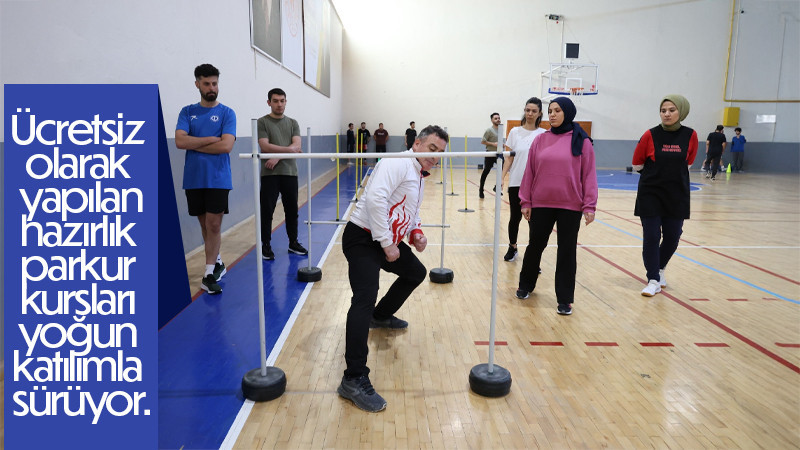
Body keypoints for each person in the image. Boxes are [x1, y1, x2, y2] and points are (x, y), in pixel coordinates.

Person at [338, 125, 449, 413]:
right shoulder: (398, 162)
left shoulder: (418, 174)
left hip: (383, 240)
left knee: (416, 273)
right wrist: (388, 243)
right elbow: (375, 199)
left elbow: (410, 211)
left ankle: (381, 316)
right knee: (364, 297)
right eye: (432, 149)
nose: (435, 157)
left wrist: (416, 233)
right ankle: (353, 378)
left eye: (441, 154)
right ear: (418, 143)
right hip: (362, 237)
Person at [515, 97, 597, 316]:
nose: (552, 114)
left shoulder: (582, 141)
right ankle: (526, 285)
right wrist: (526, 200)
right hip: (541, 203)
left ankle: (564, 299)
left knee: (567, 252)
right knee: (535, 246)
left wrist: (590, 205)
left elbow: (588, 175)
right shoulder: (540, 140)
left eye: (557, 110)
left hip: (571, 205)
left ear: (567, 113)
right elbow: (529, 172)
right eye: (550, 111)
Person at [175, 63, 236, 295]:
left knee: (213, 225)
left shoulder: (227, 113)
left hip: (218, 178)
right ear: (197, 84)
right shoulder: (186, 112)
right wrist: (211, 139)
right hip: (193, 179)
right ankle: (217, 261)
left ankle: (208, 274)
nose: (212, 87)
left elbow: (227, 146)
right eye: (207, 83)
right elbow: (180, 142)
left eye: (215, 83)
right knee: (205, 225)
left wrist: (196, 142)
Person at [632, 95, 698, 297]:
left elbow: (689, 162)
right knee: (651, 236)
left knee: (673, 236)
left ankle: (660, 269)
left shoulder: (691, 135)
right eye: (663, 110)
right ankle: (652, 279)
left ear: (681, 112)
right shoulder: (650, 135)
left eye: (671, 110)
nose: (667, 114)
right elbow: (637, 164)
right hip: (651, 193)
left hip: (676, 194)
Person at [257, 88, 309, 260]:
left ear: (286, 102)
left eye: (282, 101)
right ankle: (265, 245)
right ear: (269, 102)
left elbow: (297, 144)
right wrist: (288, 150)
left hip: (289, 173)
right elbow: (264, 146)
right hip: (269, 173)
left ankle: (293, 243)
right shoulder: (262, 122)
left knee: (292, 210)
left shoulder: (293, 123)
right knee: (267, 211)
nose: (279, 104)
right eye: (275, 101)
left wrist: (278, 156)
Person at [500, 97, 545, 262]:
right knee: (515, 218)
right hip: (516, 183)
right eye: (527, 110)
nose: (530, 113)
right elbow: (509, 159)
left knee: (534, 222)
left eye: (534, 111)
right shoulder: (514, 132)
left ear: (539, 113)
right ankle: (512, 247)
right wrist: (502, 178)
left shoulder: (543, 135)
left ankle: (533, 259)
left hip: (535, 185)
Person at [478, 112, 502, 198]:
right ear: (492, 120)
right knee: (486, 171)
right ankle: (481, 189)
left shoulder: (501, 129)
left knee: (503, 170)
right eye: (496, 118)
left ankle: (497, 187)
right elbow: (483, 141)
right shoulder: (489, 130)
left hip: (499, 154)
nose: (498, 119)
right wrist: (493, 144)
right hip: (490, 153)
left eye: (499, 118)